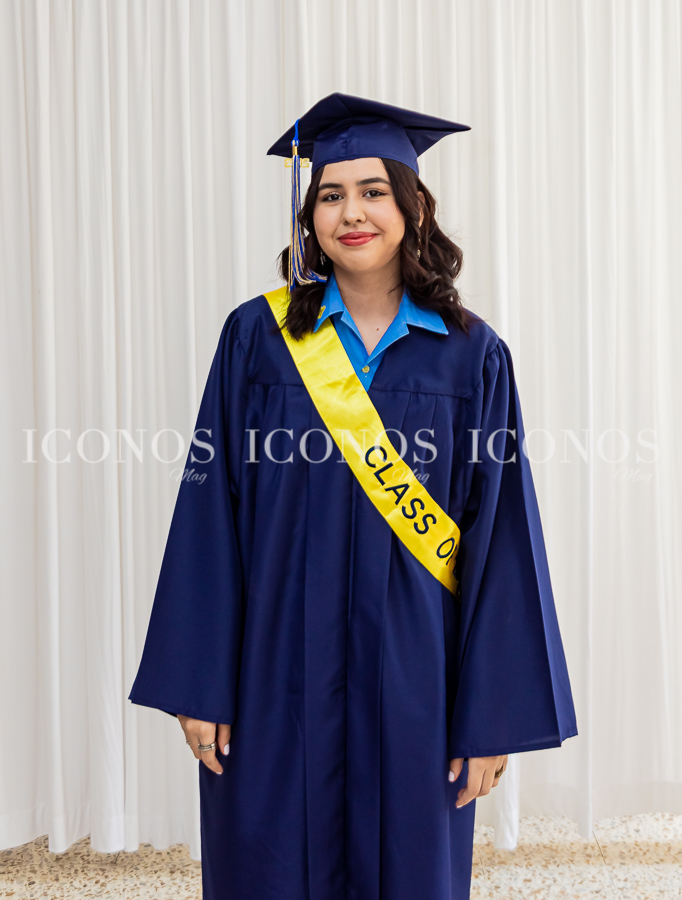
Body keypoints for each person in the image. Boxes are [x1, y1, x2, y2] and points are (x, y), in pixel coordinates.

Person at [128, 92, 578, 900]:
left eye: (374, 191)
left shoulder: (471, 355)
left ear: (413, 207)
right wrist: (200, 683)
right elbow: (208, 512)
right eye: (331, 195)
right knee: (268, 863)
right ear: (310, 218)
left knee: (409, 867)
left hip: (416, 674)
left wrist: (490, 717)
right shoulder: (258, 338)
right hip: (271, 669)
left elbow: (504, 535)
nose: (352, 213)